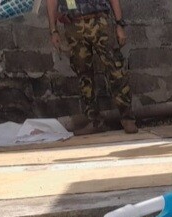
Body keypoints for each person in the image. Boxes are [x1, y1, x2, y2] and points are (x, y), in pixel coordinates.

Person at [47, 0, 137, 134]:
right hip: (74, 25)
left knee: (115, 69)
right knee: (84, 75)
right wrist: (53, 30)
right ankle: (94, 121)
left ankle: (127, 118)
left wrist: (119, 24)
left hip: (100, 22)